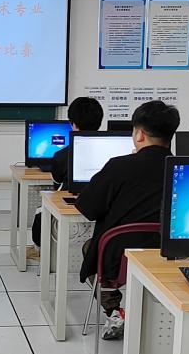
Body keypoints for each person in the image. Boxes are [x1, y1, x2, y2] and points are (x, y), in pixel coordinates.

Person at [75, 100, 179, 340]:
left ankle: (114, 310)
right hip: (168, 253)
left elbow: (88, 208)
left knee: (90, 248)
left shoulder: (119, 166)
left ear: (139, 134)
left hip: (117, 256)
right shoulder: (182, 169)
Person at [31, 97, 104, 249]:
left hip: (70, 213)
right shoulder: (113, 154)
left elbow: (56, 185)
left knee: (41, 212)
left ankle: (40, 250)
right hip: (101, 214)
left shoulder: (61, 155)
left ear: (73, 124)